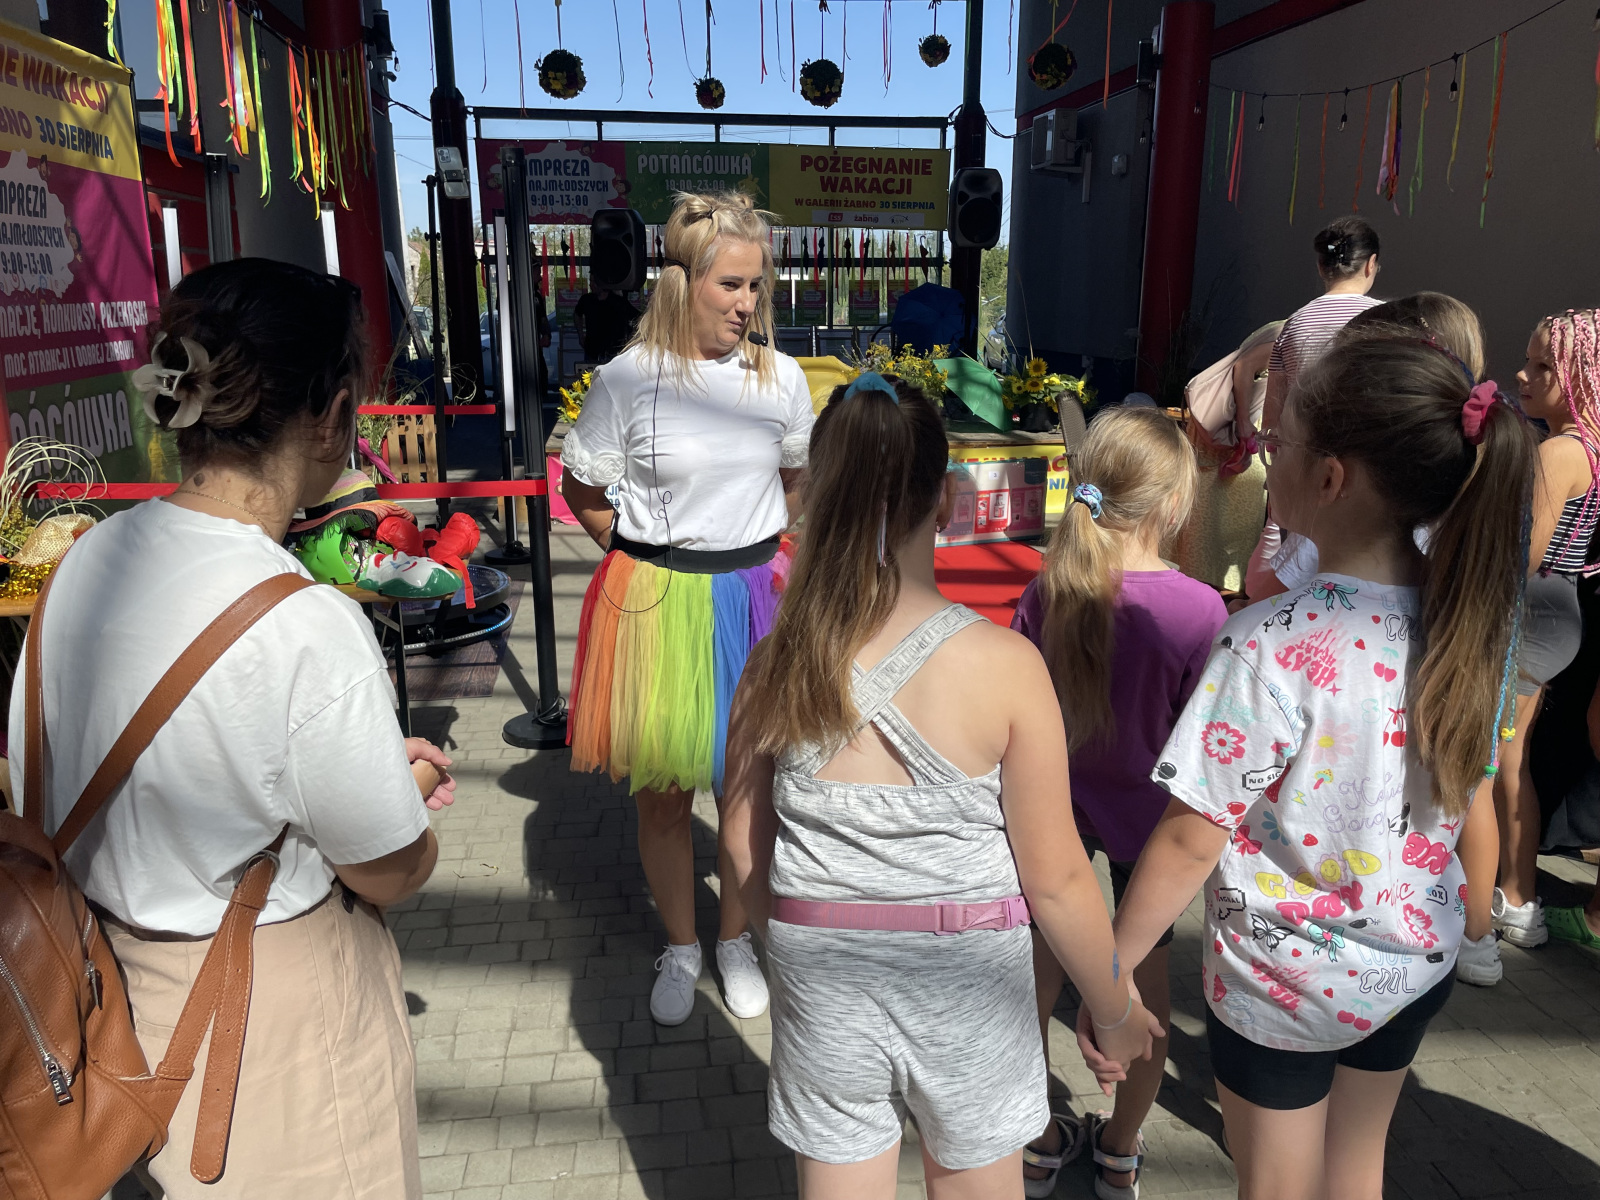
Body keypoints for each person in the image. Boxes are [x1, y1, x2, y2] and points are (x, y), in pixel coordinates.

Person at [9, 258, 456, 1199]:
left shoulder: (82, 568)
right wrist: (407, 786)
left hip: (98, 1017)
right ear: (333, 416)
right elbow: (388, 868)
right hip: (270, 1047)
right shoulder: (303, 620)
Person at [1086, 331, 1536, 1200]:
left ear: (1330, 478)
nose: (1265, 457)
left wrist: (1113, 973)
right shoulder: (1470, 625)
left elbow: (1188, 839)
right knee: (1355, 1171)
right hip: (1412, 962)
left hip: (1281, 982)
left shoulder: (1267, 642)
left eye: (1278, 442)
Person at [722, 371, 1159, 1199]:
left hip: (821, 963)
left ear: (816, 496)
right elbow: (1058, 880)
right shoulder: (1006, 667)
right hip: (967, 977)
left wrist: (789, 951)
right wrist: (1112, 1008)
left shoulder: (772, 666)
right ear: (949, 500)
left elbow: (744, 843)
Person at [560, 191, 814, 1026]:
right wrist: (642, 556)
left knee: (748, 794)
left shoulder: (780, 379)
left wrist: (753, 552)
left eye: (756, 286)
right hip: (658, 604)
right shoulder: (628, 379)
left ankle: (735, 940)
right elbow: (584, 489)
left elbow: (793, 486)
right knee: (664, 797)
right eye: (731, 285)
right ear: (683, 282)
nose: (748, 304)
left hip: (753, 605)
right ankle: (682, 945)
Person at [1011, 406, 1227, 1198]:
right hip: (1152, 827)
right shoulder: (1200, 610)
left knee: (1030, 989)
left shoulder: (1047, 590)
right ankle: (1121, 1149)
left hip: (1049, 816)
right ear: (1173, 505)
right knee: (1148, 995)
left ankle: (1037, 1141)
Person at [1339, 293, 1505, 987]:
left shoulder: (1404, 485)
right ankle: (1474, 936)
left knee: (1442, 784)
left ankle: (1464, 931)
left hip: (1419, 651)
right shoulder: (1482, 464)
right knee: (1464, 785)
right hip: (1466, 647)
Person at [1490, 310, 1600, 956]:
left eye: (1543, 367)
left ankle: (1510, 899)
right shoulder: (1586, 446)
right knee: (1511, 761)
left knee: (1494, 764)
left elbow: (1520, 555)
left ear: (1581, 375)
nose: (1523, 375)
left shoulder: (1560, 451)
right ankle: (1516, 892)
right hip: (1557, 614)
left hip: (1526, 615)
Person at [1245, 217, 1383, 601]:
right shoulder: (1387, 321)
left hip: (1305, 469)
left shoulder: (1295, 324)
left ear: (1321, 266)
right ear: (1371, 264)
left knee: (1292, 587)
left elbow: (1272, 418)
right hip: (1368, 474)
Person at [1175, 321, 1282, 595]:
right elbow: (1244, 365)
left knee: (1218, 515)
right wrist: (1244, 422)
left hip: (1231, 433)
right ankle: (1207, 593)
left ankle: (1208, 590)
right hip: (1235, 433)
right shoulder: (1291, 331)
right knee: (1220, 515)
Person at [573, 285, 640, 364]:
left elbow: (638, 317)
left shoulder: (618, 301)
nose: (591, 285)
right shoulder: (587, 299)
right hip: (592, 349)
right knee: (589, 371)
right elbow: (577, 314)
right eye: (590, 281)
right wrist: (580, 335)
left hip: (613, 350)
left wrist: (631, 339)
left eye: (594, 282)